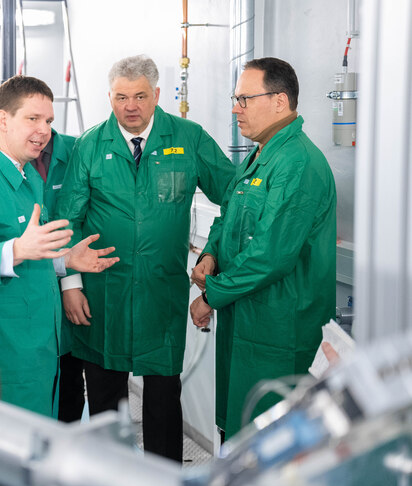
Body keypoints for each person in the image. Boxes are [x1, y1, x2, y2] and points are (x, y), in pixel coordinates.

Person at [56, 55, 234, 461]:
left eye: (139, 96)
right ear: (110, 97)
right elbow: (68, 219)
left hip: (160, 291)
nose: (130, 106)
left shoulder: (189, 138)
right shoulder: (90, 144)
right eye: (121, 97)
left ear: (156, 95)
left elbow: (235, 201)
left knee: (162, 398)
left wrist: (212, 250)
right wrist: (70, 284)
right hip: (103, 293)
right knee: (104, 400)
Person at [0, 75, 118, 417]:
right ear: (3, 119)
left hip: (38, 349)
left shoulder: (28, 176)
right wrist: (17, 250)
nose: (44, 130)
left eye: (49, 121)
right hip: (5, 355)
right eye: (32, 119)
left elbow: (30, 255)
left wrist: (65, 260)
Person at [190, 57, 336, 440]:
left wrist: (211, 295)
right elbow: (229, 213)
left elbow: (272, 255)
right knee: (239, 432)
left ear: (279, 101)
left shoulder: (297, 163)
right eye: (235, 98)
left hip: (280, 328)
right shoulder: (260, 155)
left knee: (272, 442)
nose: (235, 109)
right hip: (247, 321)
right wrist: (210, 254)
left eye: (244, 99)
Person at [29, 127, 85, 423]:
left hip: (75, 273)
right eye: (31, 116)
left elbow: (79, 218)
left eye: (45, 117)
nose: (39, 126)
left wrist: (70, 282)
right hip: (31, 286)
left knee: (70, 382)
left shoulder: (78, 150)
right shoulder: (10, 162)